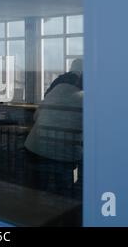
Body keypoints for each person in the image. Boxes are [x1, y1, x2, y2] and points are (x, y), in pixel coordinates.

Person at [24, 59, 83, 198]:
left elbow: (36, 117)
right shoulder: (86, 98)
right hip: (64, 154)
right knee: (64, 197)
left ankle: (35, 216)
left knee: (35, 194)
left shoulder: (54, 91)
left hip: (37, 149)